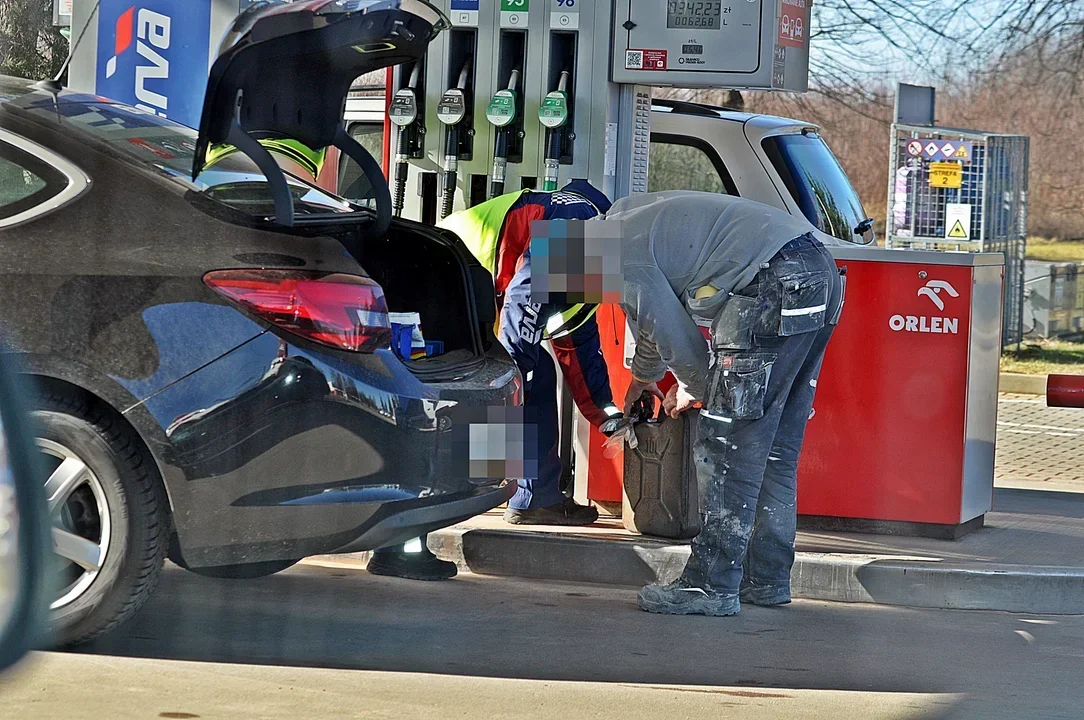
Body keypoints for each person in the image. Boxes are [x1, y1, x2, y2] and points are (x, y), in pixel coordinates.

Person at [601, 190, 845, 616]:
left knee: (726, 444)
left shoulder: (611, 251)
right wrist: (644, 379)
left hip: (773, 283)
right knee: (773, 449)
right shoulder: (636, 226)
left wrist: (699, 388)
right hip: (817, 273)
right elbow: (653, 318)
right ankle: (765, 578)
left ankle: (709, 585)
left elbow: (673, 335)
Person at [366, 180, 621, 581]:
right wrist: (501, 402)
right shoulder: (581, 227)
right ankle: (401, 543)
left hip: (458, 279)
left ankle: (535, 497)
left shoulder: (594, 242)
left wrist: (610, 417)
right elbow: (522, 313)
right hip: (436, 271)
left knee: (533, 375)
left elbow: (579, 349)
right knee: (463, 394)